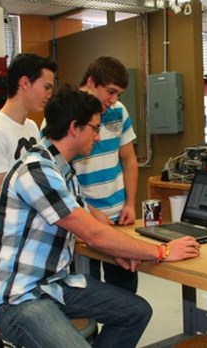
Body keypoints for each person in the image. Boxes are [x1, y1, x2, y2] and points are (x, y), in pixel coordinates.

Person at [0, 85, 201, 348]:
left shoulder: (63, 172)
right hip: (18, 299)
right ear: (75, 127)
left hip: (54, 285)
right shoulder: (36, 171)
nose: (98, 137)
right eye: (95, 129)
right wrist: (162, 251)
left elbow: (93, 222)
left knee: (136, 312)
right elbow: (93, 234)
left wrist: (122, 249)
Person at [0, 53, 57, 347]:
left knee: (24, 315)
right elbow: (6, 195)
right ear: (24, 82)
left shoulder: (31, 128)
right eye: (47, 86)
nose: (49, 94)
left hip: (20, 240)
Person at [77, 56, 140, 293]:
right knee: (87, 300)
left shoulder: (117, 111)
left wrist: (130, 204)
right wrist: (90, 214)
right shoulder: (66, 115)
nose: (114, 100)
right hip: (84, 223)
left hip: (117, 220)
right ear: (91, 82)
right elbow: (59, 179)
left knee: (126, 299)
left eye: (119, 94)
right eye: (110, 92)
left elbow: (129, 159)